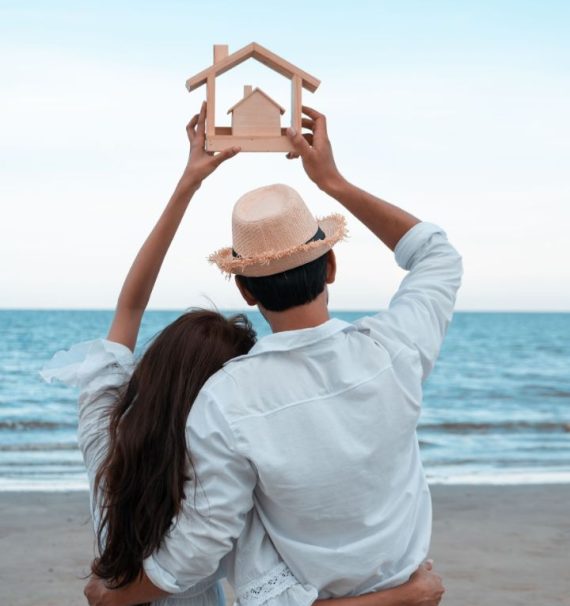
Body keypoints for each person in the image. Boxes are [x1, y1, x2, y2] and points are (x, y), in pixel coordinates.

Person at [43, 103, 445, 606]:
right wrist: (332, 182)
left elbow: (130, 306)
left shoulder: (215, 403)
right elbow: (435, 254)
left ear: (245, 291)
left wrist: (187, 184)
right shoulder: (396, 348)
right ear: (332, 266)